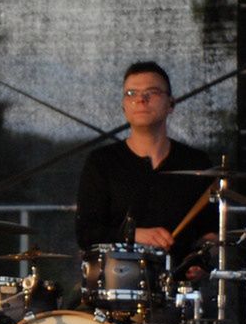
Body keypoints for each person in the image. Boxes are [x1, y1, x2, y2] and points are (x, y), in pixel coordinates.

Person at [75, 61, 217, 273]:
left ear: (171, 104)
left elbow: (212, 232)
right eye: (131, 93)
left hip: (178, 282)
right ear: (124, 107)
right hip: (117, 281)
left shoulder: (196, 163)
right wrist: (134, 234)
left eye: (152, 92)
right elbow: (87, 233)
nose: (141, 99)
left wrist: (199, 259)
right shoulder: (102, 162)